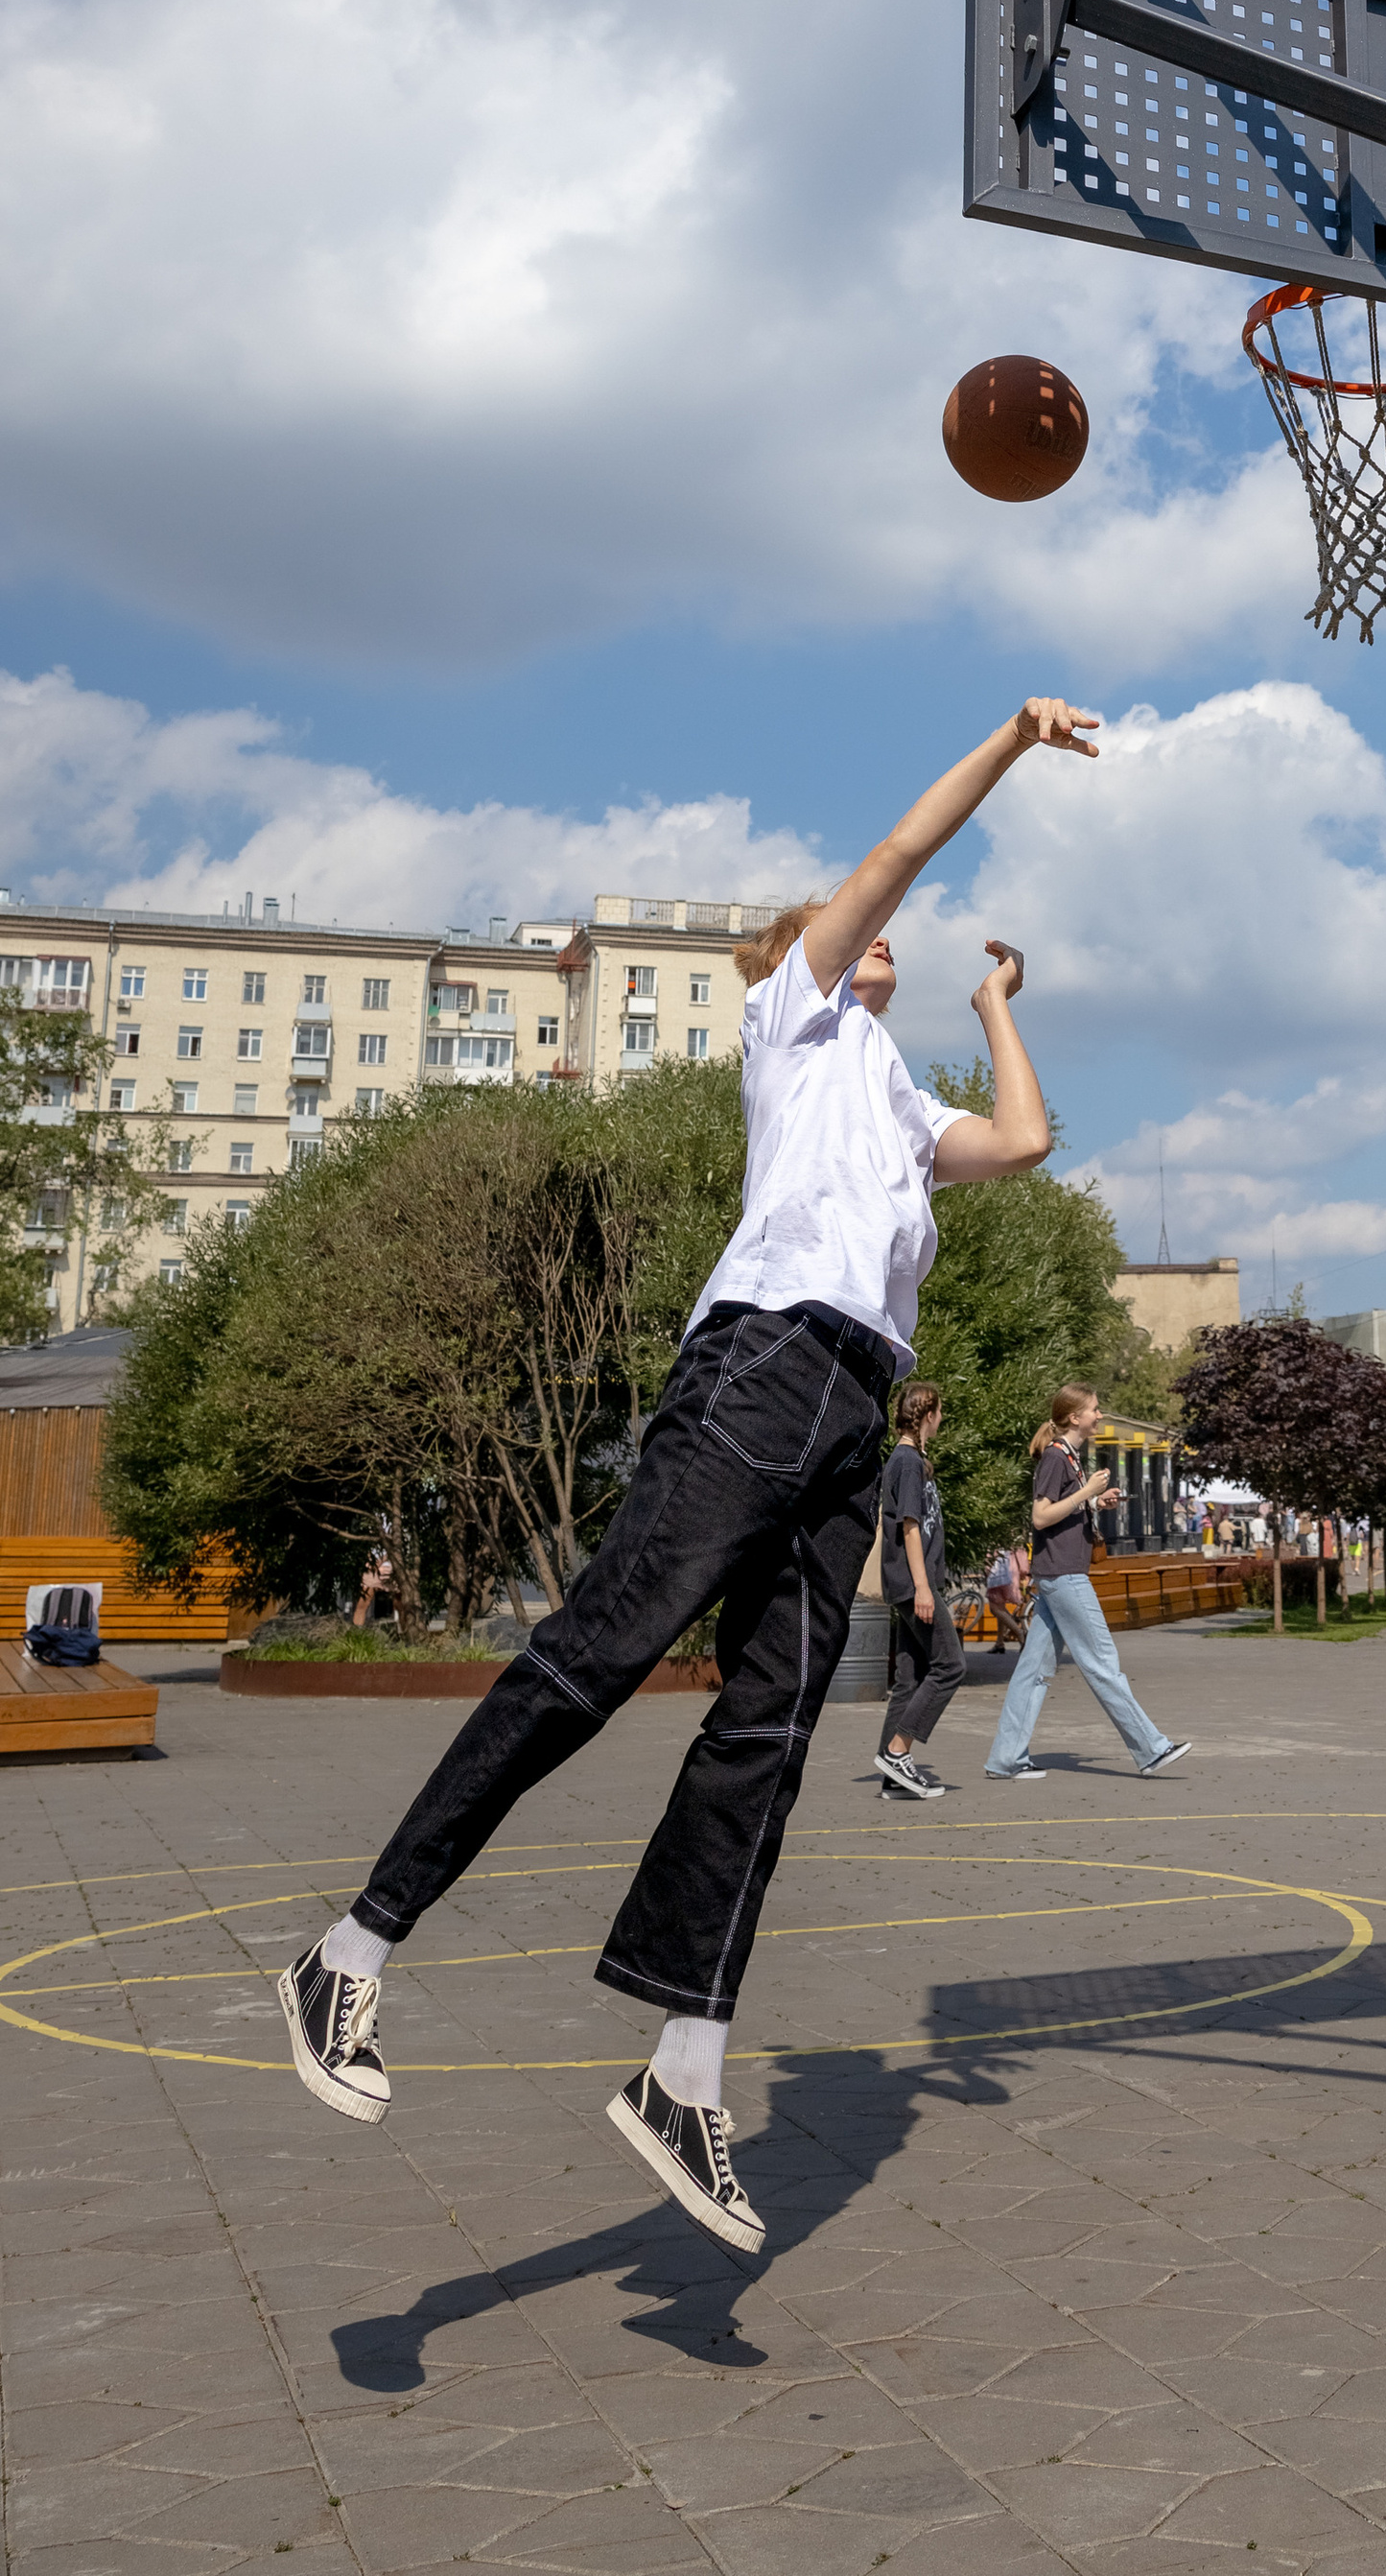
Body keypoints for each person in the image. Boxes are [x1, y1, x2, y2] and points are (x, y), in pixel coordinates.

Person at [273, 694, 1098, 2252]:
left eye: (891, 945)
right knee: (601, 1653)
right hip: (765, 1360)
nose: (884, 945)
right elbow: (900, 849)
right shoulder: (791, 1021)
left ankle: (683, 2068)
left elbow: (1033, 1143)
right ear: (808, 945)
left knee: (773, 1729)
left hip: (853, 1407)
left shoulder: (903, 1104)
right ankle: (352, 1950)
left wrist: (998, 998)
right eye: (863, 934)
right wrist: (1007, 739)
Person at [985, 1384, 1190, 1784]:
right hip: (1065, 1577)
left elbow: (1063, 1510)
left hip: (1057, 1575)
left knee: (1033, 1672)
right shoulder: (1055, 1457)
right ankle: (1150, 1748)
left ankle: (1005, 1759)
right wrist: (1087, 1492)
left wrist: (1095, 1502)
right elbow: (1041, 1517)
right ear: (1074, 1417)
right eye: (1095, 1410)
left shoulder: (1068, 1457)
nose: (1100, 1415)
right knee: (1102, 1663)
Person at [876, 1382, 962, 1801]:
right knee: (951, 1665)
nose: (942, 1419)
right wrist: (923, 1588)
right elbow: (909, 1525)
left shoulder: (910, 1459)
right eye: (940, 1412)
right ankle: (898, 1751)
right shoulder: (907, 1461)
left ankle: (893, 1773)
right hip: (913, 1586)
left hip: (908, 1584)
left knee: (909, 1679)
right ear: (928, 1414)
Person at [983, 1539, 1027, 1650]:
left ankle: (1020, 1633)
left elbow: (992, 1555)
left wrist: (987, 1568)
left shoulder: (997, 1535)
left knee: (995, 1608)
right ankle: (999, 1642)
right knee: (1000, 1606)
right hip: (1012, 1571)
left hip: (1001, 1571)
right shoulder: (1015, 1537)